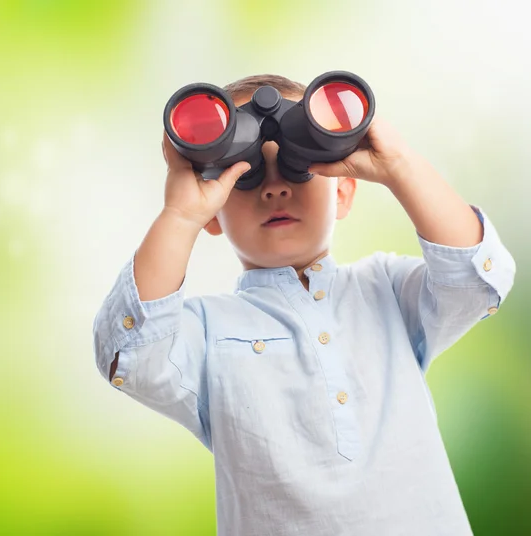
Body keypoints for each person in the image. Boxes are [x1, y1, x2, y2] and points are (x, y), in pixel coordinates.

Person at [92, 73, 516, 536]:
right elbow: (130, 350)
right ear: (213, 216)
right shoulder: (207, 331)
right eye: (246, 174)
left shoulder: (386, 289)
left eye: (299, 166)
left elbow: (475, 277)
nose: (274, 188)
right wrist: (179, 215)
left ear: (344, 189)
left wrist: (398, 164)